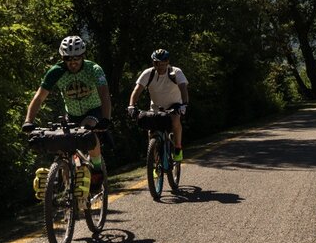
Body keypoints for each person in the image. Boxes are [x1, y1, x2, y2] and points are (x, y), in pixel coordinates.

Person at [22, 35, 112, 201]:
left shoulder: (94, 69)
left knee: (88, 128)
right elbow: (39, 98)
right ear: (62, 58)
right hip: (71, 113)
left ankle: (97, 169)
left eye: (76, 58)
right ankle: (69, 190)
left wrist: (105, 118)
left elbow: (104, 95)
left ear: (83, 56)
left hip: (94, 110)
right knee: (63, 146)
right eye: (68, 59)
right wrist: (29, 121)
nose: (72, 62)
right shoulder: (56, 71)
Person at [127, 48, 190, 162]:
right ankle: (155, 160)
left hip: (174, 104)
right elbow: (137, 90)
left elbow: (183, 88)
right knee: (151, 130)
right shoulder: (148, 73)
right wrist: (131, 105)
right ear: (153, 62)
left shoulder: (176, 72)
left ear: (167, 62)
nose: (160, 65)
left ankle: (178, 148)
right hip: (156, 106)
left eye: (163, 63)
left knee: (175, 120)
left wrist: (184, 104)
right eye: (157, 63)